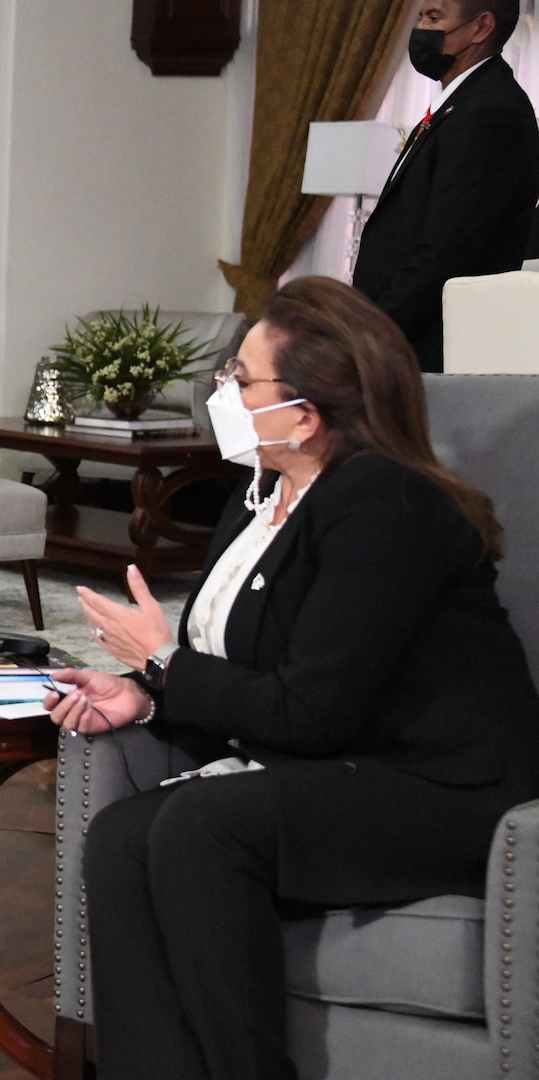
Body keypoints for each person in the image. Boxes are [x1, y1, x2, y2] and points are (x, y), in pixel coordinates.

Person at [45, 276, 539, 1079]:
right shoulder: (259, 497)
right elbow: (253, 682)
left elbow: (312, 710)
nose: (222, 393)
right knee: (123, 834)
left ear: (305, 412)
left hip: (444, 788)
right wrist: (145, 695)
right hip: (334, 764)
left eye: (239, 380)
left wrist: (165, 664)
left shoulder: (387, 502)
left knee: (203, 826)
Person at [351, 0, 539, 373]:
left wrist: (370, 336)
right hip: (410, 345)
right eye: (421, 16)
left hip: (433, 352)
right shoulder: (463, 102)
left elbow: (444, 253)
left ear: (481, 28)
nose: (421, 28)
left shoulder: (489, 112)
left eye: (434, 18)